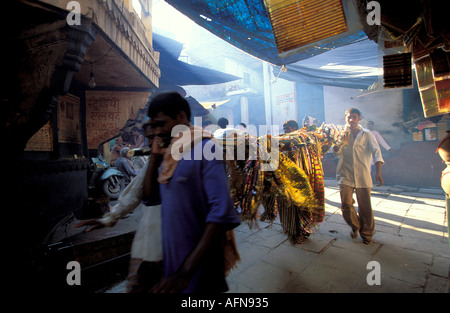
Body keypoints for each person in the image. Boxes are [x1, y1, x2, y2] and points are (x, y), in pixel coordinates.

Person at [143, 91, 241, 293]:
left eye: (162, 123)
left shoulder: (206, 148)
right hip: (173, 263)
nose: (158, 131)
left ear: (181, 117)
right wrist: (154, 156)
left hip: (199, 268)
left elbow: (221, 212)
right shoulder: (170, 153)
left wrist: (186, 272)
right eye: (154, 125)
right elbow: (150, 197)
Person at [75, 123, 163, 293]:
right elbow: (137, 187)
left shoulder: (194, 152)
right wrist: (111, 217)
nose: (150, 143)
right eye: (149, 138)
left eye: (154, 137)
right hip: (154, 234)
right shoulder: (153, 158)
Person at [333, 108, 384, 245]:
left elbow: (377, 152)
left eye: (354, 117)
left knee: (365, 207)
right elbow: (336, 153)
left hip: (363, 174)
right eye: (349, 117)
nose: (351, 120)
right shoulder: (341, 134)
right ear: (345, 118)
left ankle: (367, 235)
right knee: (345, 204)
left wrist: (378, 172)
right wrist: (336, 148)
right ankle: (355, 225)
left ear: (359, 118)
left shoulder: (367, 134)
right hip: (345, 174)